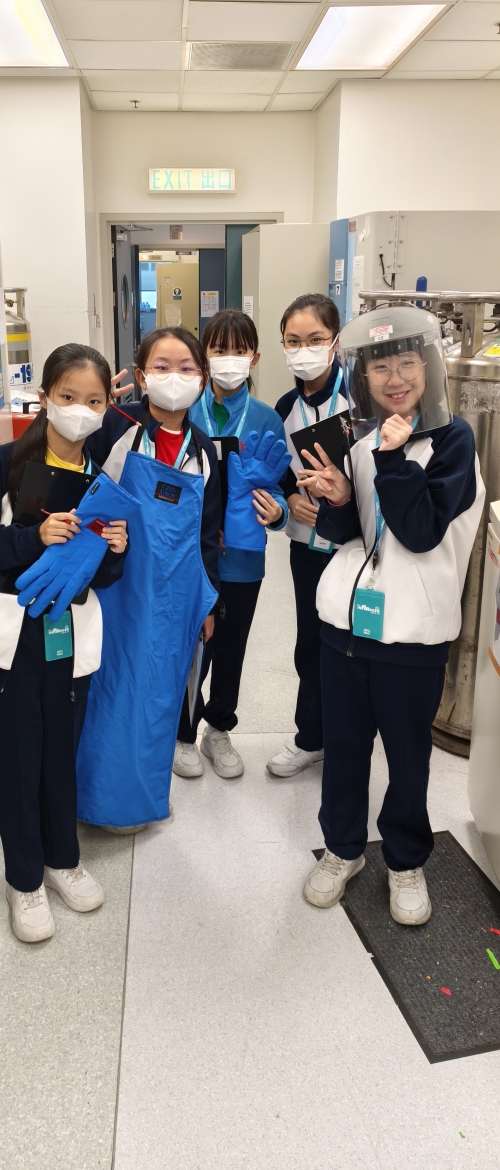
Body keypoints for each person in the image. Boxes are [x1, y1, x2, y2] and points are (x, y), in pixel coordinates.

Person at [299, 304, 484, 925]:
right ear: (364, 376)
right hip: (346, 627)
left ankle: (405, 861)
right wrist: (337, 499)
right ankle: (342, 849)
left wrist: (393, 459)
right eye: (381, 368)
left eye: (407, 363)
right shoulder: (361, 438)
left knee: (407, 758)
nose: (395, 378)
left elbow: (421, 531)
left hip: (411, 636)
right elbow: (351, 532)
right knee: (344, 749)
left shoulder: (454, 441)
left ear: (428, 368)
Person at [0, 344, 129, 944]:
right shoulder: (2, 466)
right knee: (15, 764)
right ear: (45, 396)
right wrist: (33, 537)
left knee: (59, 758)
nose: (80, 410)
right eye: (68, 396)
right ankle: (24, 881)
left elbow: (103, 577)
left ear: (106, 407)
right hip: (7, 645)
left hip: (66, 641)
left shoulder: (102, 480)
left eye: (94, 401)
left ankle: (62, 861)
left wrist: (116, 551)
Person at [80, 326, 221, 832]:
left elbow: (208, 534)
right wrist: (91, 408)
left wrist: (208, 603)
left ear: (202, 379)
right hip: (113, 584)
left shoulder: (203, 451)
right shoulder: (113, 428)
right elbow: (68, 473)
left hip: (173, 596)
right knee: (106, 688)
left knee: (158, 694)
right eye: (161, 367)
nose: (173, 377)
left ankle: (139, 800)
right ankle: (93, 798)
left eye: (186, 367)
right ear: (141, 376)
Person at [173, 308, 288, 780]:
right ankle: (182, 731)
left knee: (231, 647)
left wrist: (277, 512)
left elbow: (280, 488)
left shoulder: (266, 418)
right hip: (190, 555)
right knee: (190, 642)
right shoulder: (185, 411)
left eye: (239, 350)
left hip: (242, 559)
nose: (229, 358)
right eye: (219, 349)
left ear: (254, 358)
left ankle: (218, 729)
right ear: (204, 355)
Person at [267, 294, 348, 779]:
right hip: (306, 547)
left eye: (315, 339)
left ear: (335, 341)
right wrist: (288, 498)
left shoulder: (360, 401)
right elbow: (277, 470)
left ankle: (347, 742)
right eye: (294, 341)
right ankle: (310, 739)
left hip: (354, 548)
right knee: (310, 644)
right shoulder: (285, 407)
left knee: (348, 647)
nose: (305, 350)